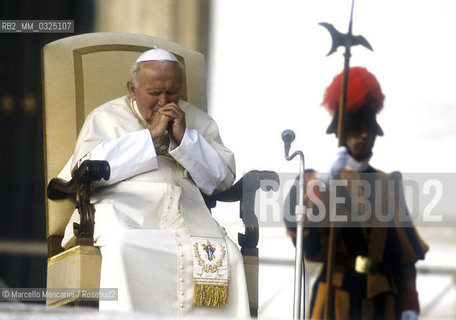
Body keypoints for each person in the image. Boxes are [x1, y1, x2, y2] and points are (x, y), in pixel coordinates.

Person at [58, 48, 250, 317]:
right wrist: (149, 137)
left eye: (172, 93)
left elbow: (221, 181)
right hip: (124, 209)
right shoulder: (105, 117)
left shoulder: (197, 120)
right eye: (154, 93)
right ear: (132, 89)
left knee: (228, 256)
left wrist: (185, 140)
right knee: (124, 243)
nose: (163, 102)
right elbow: (88, 169)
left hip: (185, 212)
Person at [285, 67, 428, 319]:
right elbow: (303, 235)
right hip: (336, 298)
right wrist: (323, 183)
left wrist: (409, 303)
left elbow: (405, 256)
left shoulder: (388, 183)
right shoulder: (314, 179)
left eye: (369, 128)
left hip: (384, 302)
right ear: (340, 131)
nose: (363, 134)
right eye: (355, 127)